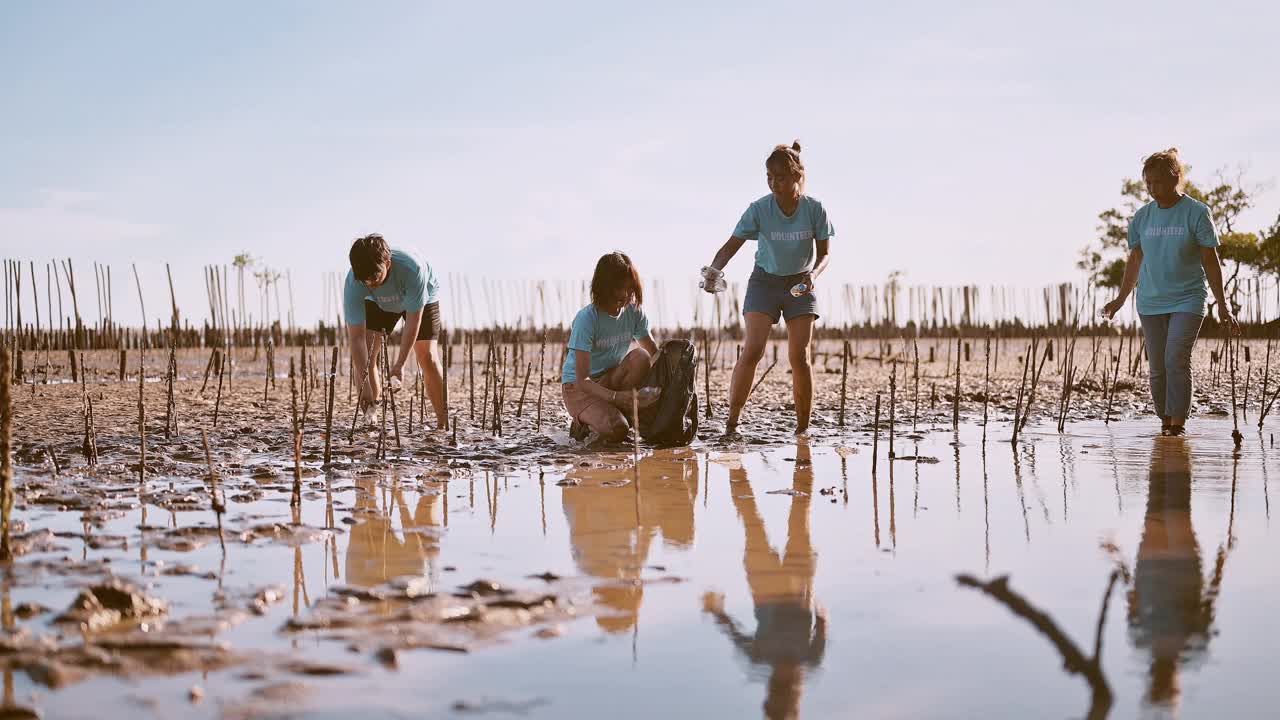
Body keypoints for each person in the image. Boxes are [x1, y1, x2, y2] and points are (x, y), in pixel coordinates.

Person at [1102, 148, 1239, 436]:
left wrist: (1223, 304)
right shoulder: (1141, 218)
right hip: (1150, 301)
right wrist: (1120, 298)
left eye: (1158, 182)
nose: (1152, 188)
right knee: (1157, 368)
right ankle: (1165, 421)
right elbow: (1135, 260)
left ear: (1175, 178)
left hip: (1189, 298)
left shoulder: (1197, 212)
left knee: (1176, 357)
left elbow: (1210, 260)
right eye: (1148, 183)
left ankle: (1177, 424)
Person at [703, 141, 834, 435]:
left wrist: (813, 275)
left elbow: (825, 254)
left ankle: (803, 431)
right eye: (770, 177)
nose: (775, 183)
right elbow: (731, 245)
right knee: (753, 350)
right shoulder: (759, 209)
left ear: (797, 177)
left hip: (801, 282)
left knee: (799, 357)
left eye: (782, 178)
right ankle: (731, 425)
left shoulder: (815, 210)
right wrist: (714, 270)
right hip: (764, 282)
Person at [343, 233, 448, 429]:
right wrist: (363, 383)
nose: (371, 284)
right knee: (367, 353)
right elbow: (356, 339)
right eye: (366, 280)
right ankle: (371, 420)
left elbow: (412, 323)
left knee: (427, 356)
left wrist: (399, 365)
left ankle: (444, 423)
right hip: (378, 303)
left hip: (420, 296)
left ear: (388, 264)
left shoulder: (412, 268)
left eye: (375, 277)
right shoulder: (355, 282)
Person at [561, 252, 660, 442]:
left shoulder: (633, 312)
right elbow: (583, 380)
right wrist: (618, 397)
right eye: (619, 288)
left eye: (629, 288)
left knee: (641, 357)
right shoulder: (587, 319)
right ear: (604, 288)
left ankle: (612, 411)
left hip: (611, 377)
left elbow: (654, 355)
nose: (626, 295)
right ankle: (584, 422)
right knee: (618, 429)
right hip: (579, 388)